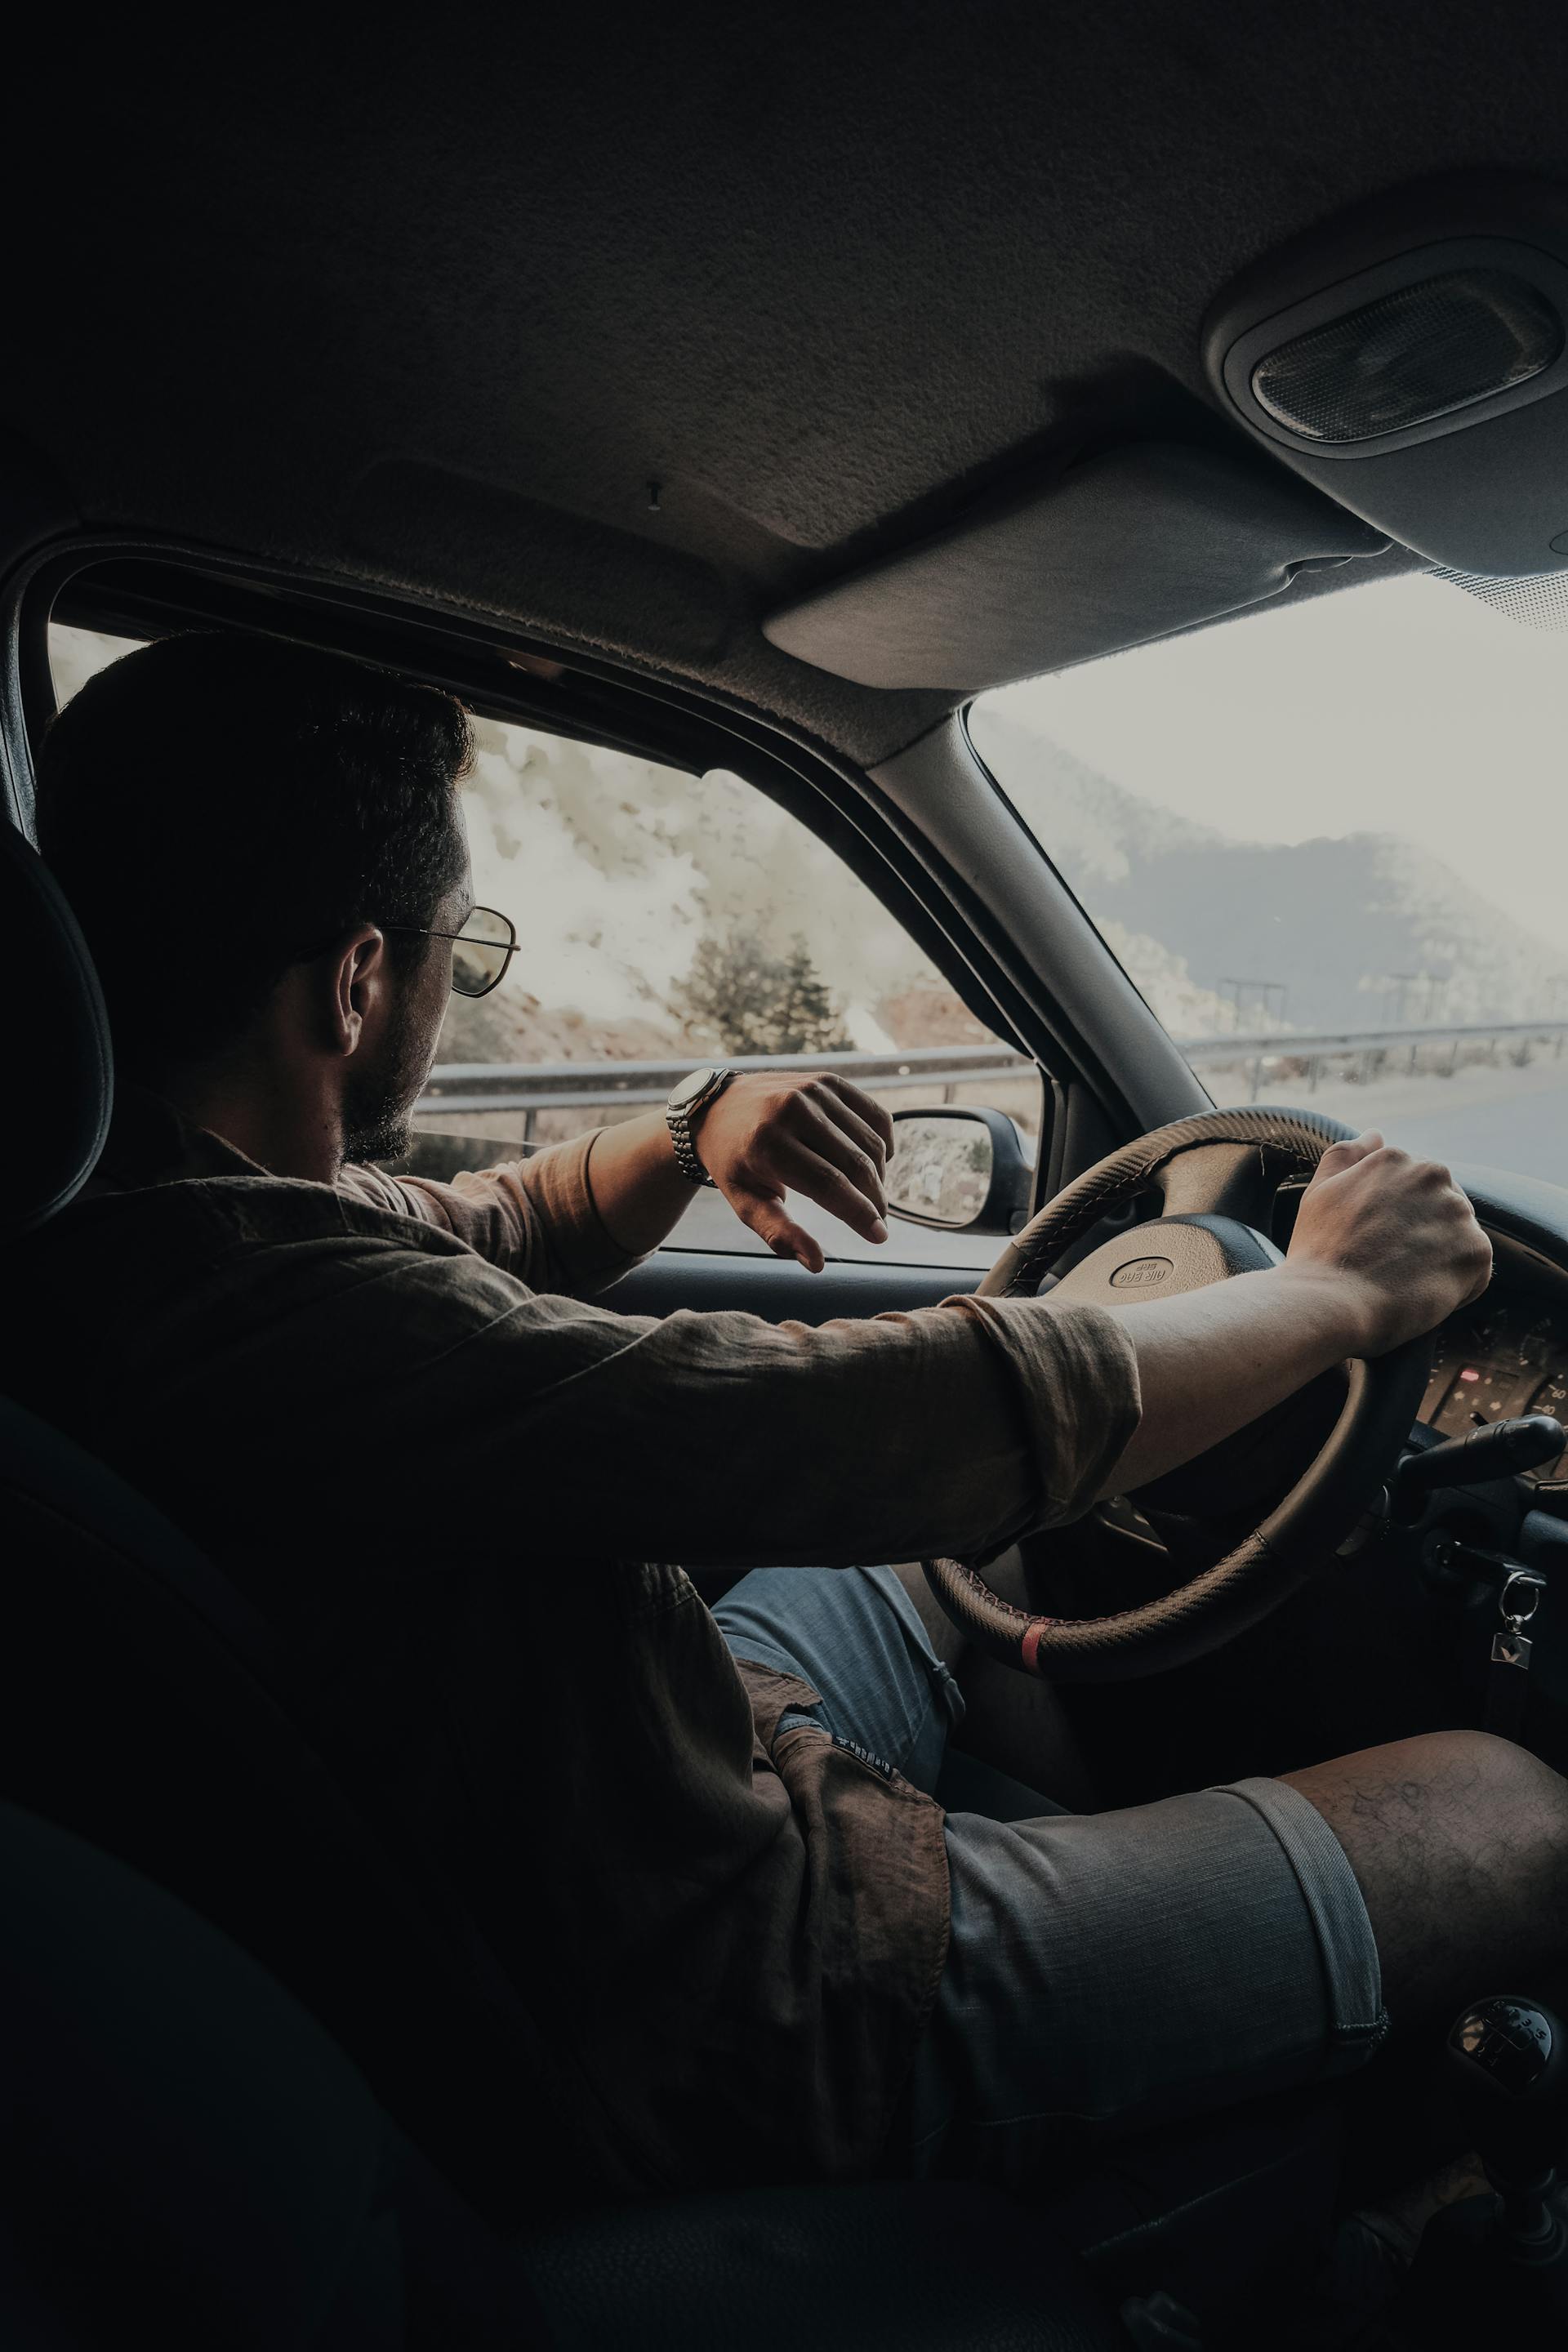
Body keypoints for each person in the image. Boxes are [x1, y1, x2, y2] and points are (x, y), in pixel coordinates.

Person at [10, 630, 1545, 2217]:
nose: (460, 995)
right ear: (353, 979)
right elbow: (846, 1427)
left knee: (982, 1558)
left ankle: (1110, 1944)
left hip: (650, 1815)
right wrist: (1337, 1296)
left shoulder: (175, 1225)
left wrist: (693, 1126)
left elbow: (502, 1222)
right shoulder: (262, 1318)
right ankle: (1083, 2025)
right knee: (1514, 1806)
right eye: (464, 957)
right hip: (748, 2002)